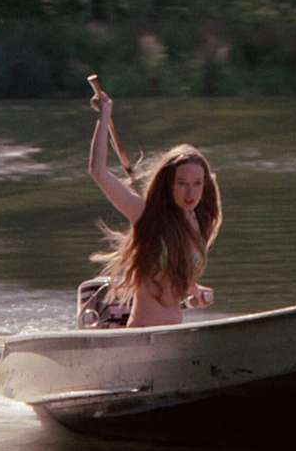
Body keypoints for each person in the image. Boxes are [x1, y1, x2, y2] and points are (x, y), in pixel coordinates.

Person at [87, 90, 221, 327]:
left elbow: (175, 271)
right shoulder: (147, 216)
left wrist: (194, 289)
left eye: (197, 184)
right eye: (182, 184)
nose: (190, 193)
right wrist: (104, 116)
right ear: (169, 184)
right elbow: (98, 172)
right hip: (143, 334)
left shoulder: (197, 222)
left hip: (174, 334)